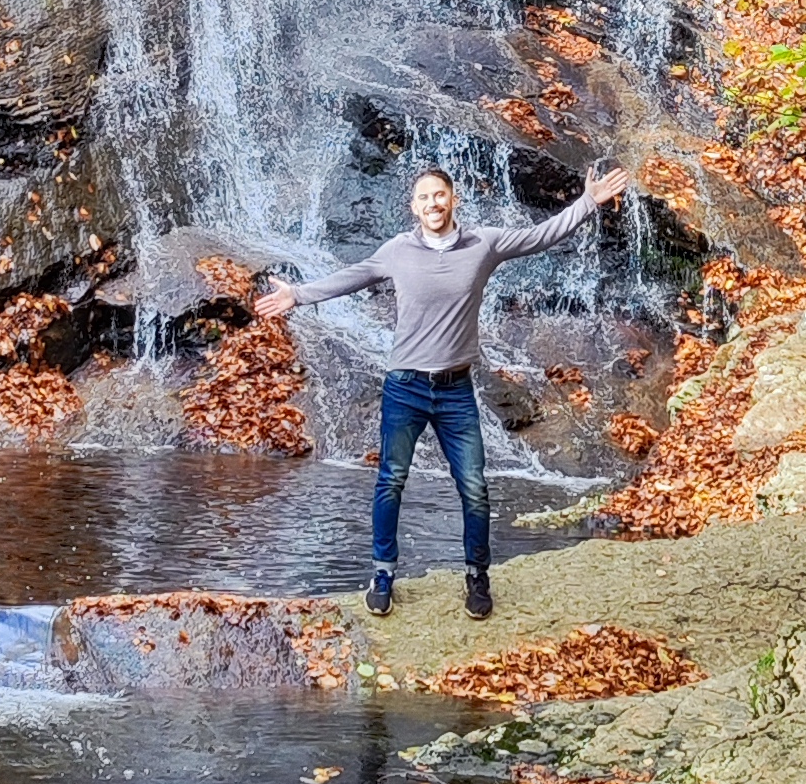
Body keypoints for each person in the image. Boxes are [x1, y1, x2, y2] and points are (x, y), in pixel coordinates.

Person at [255, 160, 631, 617]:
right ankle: (382, 574)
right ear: (413, 207)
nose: (433, 204)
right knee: (391, 481)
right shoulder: (398, 249)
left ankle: (477, 576)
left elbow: (541, 236)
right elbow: (354, 275)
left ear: (453, 199)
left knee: (474, 486)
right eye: (423, 198)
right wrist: (299, 294)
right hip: (405, 387)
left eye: (439, 195)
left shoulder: (483, 243)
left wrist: (588, 202)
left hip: (456, 390)